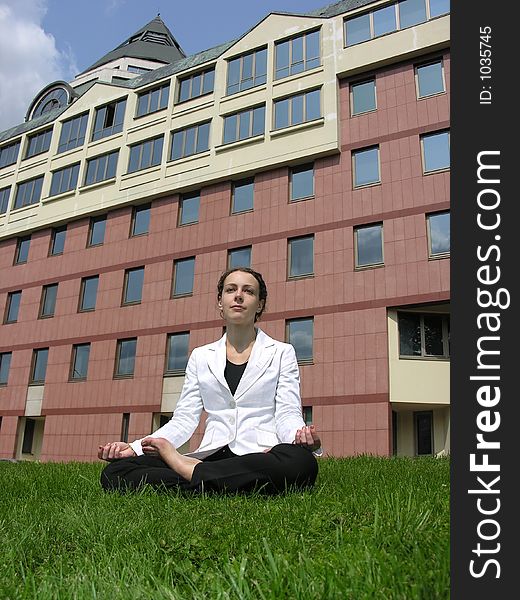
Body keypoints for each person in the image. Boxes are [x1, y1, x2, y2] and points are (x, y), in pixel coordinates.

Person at [98, 267, 321, 494]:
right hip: (214, 455)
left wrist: (299, 438)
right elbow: (184, 419)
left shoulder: (282, 352)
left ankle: (194, 475)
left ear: (260, 305)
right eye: (231, 289)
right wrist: (135, 449)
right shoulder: (201, 356)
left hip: (262, 453)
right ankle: (223, 480)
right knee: (115, 472)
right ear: (220, 302)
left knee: (302, 462)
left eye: (249, 291)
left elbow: (287, 412)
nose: (238, 296)